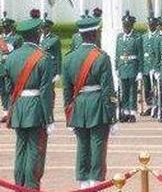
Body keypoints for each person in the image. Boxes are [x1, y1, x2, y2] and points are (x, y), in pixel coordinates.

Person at [62, 15, 118, 190]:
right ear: (94, 34)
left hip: (78, 105)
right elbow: (108, 89)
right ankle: (96, 180)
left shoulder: (69, 58)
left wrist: (68, 116)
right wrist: (113, 116)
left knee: (82, 145)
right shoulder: (101, 57)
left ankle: (82, 180)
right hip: (98, 105)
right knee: (98, 144)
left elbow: (67, 91)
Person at [4, 17, 54, 190]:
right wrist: (49, 118)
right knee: (35, 149)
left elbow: (9, 87)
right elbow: (46, 92)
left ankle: (19, 185)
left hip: (18, 106)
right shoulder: (43, 58)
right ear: (37, 34)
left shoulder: (11, 58)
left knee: (20, 149)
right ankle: (31, 186)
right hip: (35, 108)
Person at [116, 12, 142, 122]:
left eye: (128, 26)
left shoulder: (137, 37)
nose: (125, 28)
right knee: (124, 90)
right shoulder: (120, 37)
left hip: (132, 66)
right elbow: (117, 53)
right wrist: (117, 66)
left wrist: (140, 71)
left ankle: (132, 112)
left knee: (132, 90)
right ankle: (125, 111)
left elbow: (140, 55)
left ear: (131, 26)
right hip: (123, 67)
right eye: (124, 26)